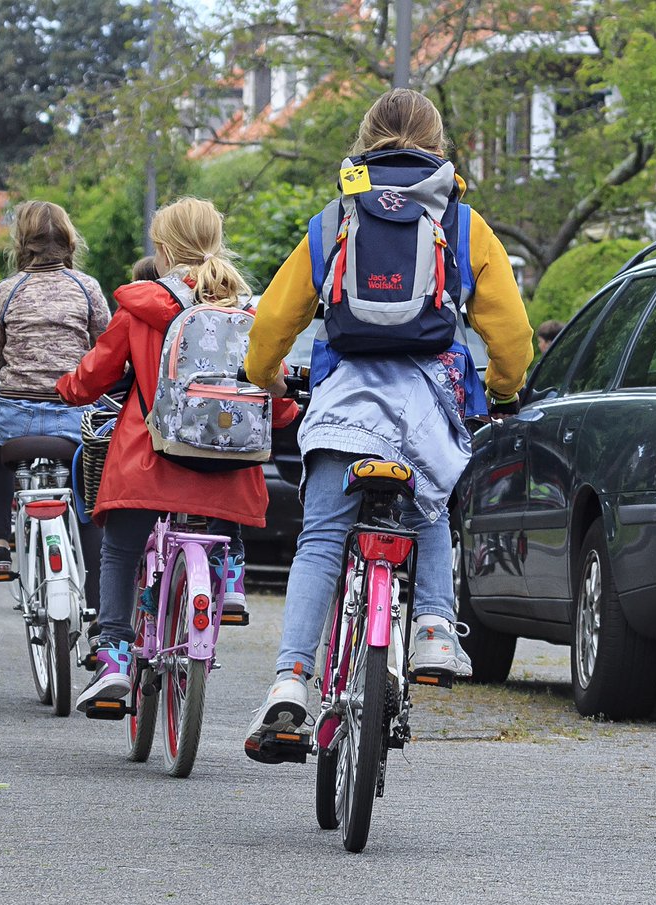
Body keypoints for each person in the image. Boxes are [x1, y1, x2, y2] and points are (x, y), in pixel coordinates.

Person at [240, 88, 534, 759]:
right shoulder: (460, 223)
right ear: (436, 144)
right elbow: (511, 332)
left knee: (320, 540)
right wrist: (503, 388)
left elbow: (271, 328)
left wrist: (268, 377)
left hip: (343, 407)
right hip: (427, 404)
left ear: (364, 141)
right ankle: (434, 625)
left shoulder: (334, 219)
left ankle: (290, 681)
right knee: (428, 503)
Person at [56, 197, 300, 713]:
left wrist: (65, 389)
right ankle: (230, 575)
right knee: (213, 527)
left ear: (163, 250)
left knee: (121, 548)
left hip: (150, 463)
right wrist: (284, 415)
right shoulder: (250, 310)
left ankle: (116, 657)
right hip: (229, 470)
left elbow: (95, 374)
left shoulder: (143, 306)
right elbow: (273, 400)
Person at [0, 200, 111, 577]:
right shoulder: (87, 288)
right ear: (68, 240)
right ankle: (100, 608)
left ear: (22, 242)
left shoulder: (7, 290)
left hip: (16, 418)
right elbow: (106, 347)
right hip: (73, 418)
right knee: (87, 488)